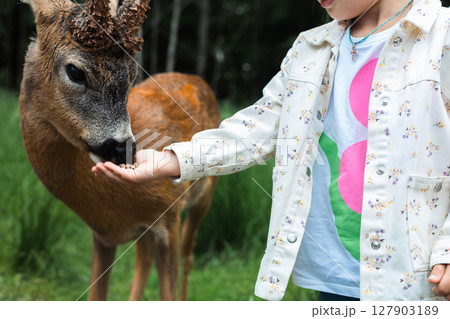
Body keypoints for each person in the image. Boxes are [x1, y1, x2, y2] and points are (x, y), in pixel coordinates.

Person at [92, 0, 450, 301]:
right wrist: (170, 159)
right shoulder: (311, 48)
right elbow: (258, 129)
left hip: (417, 278)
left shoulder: (442, 38)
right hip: (333, 277)